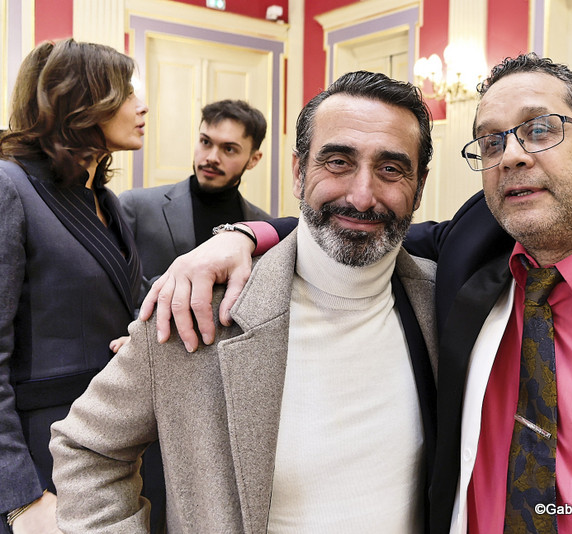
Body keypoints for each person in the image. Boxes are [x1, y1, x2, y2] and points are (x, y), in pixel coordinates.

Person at [141, 54, 572, 534]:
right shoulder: (464, 261)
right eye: (490, 142)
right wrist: (241, 234)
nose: (511, 154)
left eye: (540, 128)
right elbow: (358, 216)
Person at [49, 71, 438, 533]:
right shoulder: (195, 307)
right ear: (299, 171)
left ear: (419, 183)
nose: (361, 195)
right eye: (337, 161)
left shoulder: (445, 305)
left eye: (391, 168)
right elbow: (88, 448)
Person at [0, 39, 163, 534]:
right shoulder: (9, 187)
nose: (142, 105)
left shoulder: (103, 200)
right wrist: (20, 497)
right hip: (39, 455)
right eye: (125, 92)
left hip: (106, 443)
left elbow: (134, 294)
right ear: (81, 102)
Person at [119, 99, 271, 306]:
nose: (212, 157)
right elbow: (115, 288)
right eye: (206, 142)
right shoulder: (136, 206)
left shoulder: (263, 227)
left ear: (254, 159)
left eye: (229, 149)